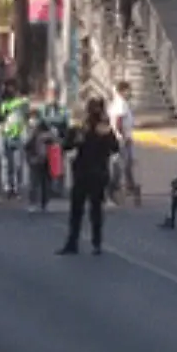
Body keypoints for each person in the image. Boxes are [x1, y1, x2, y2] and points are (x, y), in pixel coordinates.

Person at [58, 96, 122, 255]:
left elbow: (65, 146)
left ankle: (76, 243)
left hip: (87, 173)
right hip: (94, 173)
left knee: (80, 210)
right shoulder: (93, 127)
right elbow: (115, 148)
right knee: (94, 210)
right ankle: (94, 243)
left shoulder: (87, 127)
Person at [26, 84, 70, 213]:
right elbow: (37, 123)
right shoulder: (41, 109)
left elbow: (64, 121)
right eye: (51, 93)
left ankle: (48, 198)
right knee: (35, 176)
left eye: (55, 94)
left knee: (50, 174)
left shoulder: (61, 109)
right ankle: (33, 201)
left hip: (54, 146)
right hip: (39, 146)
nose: (53, 96)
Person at [107, 80, 137, 205]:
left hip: (123, 138)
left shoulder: (120, 102)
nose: (130, 93)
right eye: (128, 90)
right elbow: (118, 121)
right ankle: (112, 192)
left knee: (127, 165)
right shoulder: (120, 104)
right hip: (121, 139)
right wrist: (122, 136)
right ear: (122, 91)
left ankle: (129, 188)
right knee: (119, 167)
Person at [0, 84, 29, 201]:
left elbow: (25, 109)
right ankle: (7, 187)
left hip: (18, 135)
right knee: (6, 163)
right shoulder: (4, 104)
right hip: (6, 135)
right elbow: (1, 114)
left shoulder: (22, 103)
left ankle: (16, 187)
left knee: (17, 164)